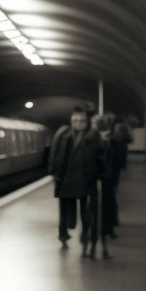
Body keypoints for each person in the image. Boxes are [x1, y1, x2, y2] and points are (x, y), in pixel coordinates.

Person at [48, 107, 100, 251]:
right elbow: (54, 153)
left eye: (81, 120)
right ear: (71, 121)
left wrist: (100, 176)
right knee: (64, 209)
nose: (78, 123)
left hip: (84, 178)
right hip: (66, 178)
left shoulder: (92, 137)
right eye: (75, 120)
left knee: (85, 209)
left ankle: (85, 232)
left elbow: (99, 157)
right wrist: (53, 172)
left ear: (86, 121)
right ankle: (63, 234)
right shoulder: (64, 135)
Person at [95, 113, 120, 258]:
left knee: (103, 211)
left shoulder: (108, 144)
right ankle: (100, 240)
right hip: (102, 182)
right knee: (102, 212)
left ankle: (101, 237)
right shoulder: (100, 144)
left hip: (105, 181)